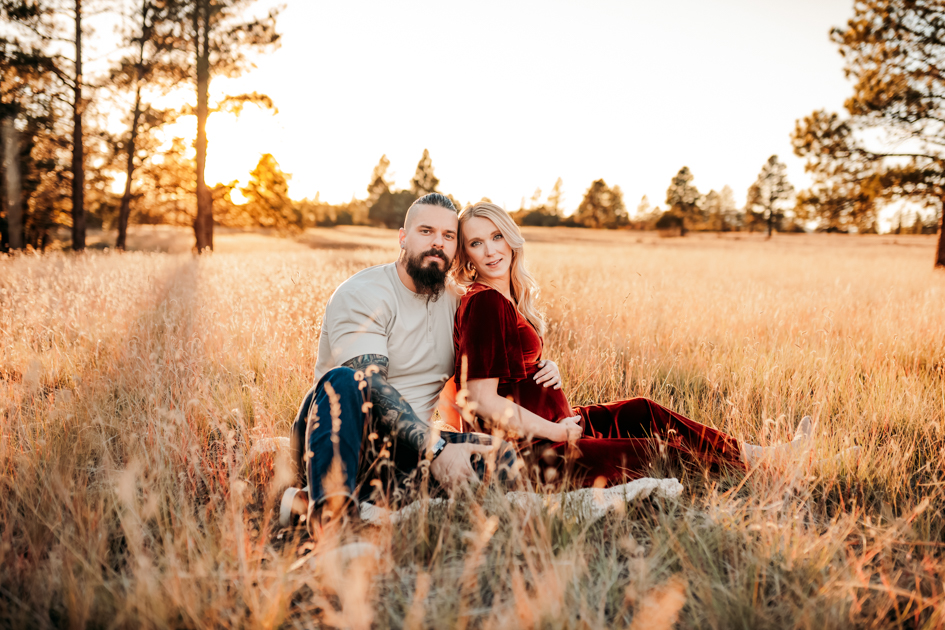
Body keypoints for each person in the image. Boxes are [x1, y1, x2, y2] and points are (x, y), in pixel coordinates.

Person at [450, 201, 812, 487]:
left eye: (497, 236)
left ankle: (758, 454)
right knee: (660, 452)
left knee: (643, 410)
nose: (491, 251)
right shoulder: (485, 301)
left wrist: (543, 366)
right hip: (534, 449)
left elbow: (509, 366)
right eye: (477, 243)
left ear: (511, 238)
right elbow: (481, 399)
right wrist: (558, 431)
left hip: (559, 424)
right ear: (466, 256)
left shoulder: (505, 298)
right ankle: (768, 475)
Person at [284, 194, 518, 535]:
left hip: (408, 451)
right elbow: (371, 386)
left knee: (502, 457)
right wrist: (437, 450)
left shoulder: (457, 302)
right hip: (342, 437)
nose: (438, 242)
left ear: (457, 250)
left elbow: (480, 375)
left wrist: (545, 366)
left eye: (448, 236)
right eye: (426, 231)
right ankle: (331, 520)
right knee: (345, 379)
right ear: (402, 237)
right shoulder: (363, 293)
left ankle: (335, 505)